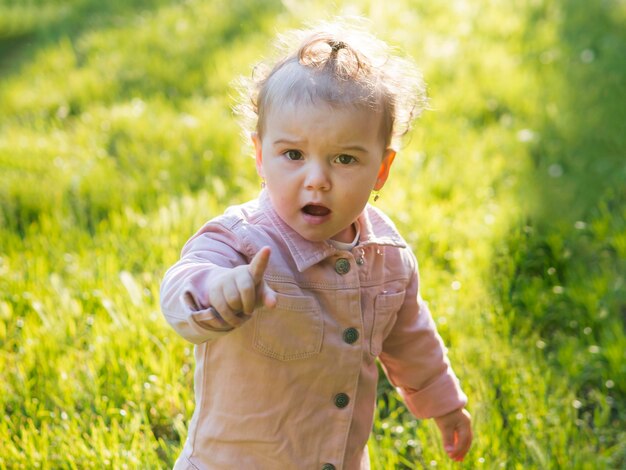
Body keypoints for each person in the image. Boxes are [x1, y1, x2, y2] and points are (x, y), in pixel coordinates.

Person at [160, 18, 472, 469]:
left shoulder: (387, 254)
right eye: (293, 155)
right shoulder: (240, 241)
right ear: (260, 156)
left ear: (381, 171)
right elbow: (182, 286)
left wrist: (444, 403)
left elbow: (410, 338)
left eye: (345, 159)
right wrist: (218, 289)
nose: (317, 181)